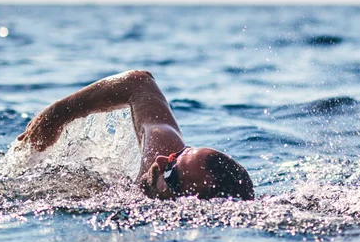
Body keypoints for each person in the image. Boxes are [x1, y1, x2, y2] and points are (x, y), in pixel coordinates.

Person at [17, 70, 254, 200]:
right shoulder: (163, 153)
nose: (161, 161)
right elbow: (139, 83)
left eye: (171, 173)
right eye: (178, 154)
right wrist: (55, 116)